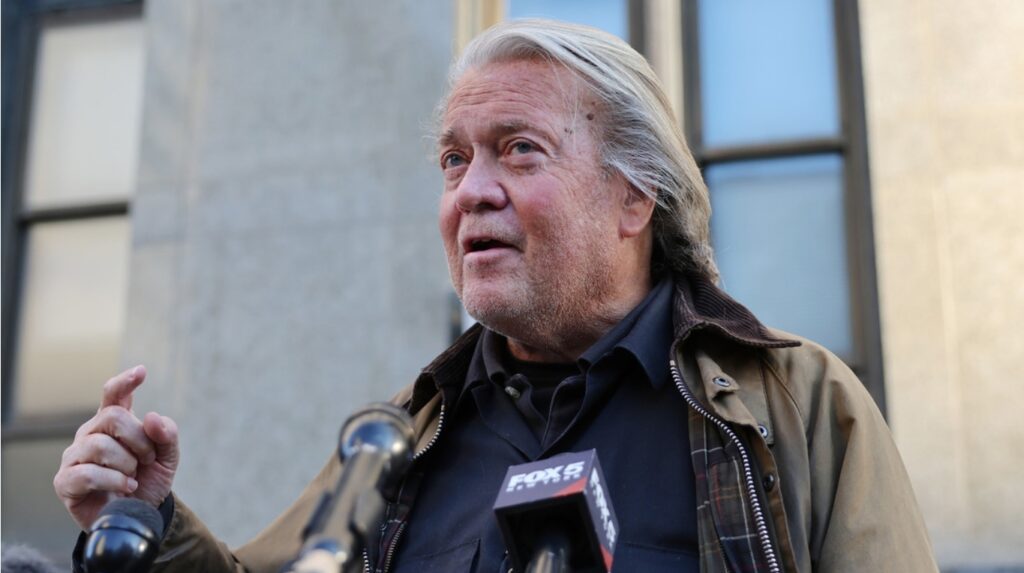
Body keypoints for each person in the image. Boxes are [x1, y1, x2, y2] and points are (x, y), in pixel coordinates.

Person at [53, 19, 937, 572]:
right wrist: (148, 517)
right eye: (454, 159)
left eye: (518, 149)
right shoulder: (400, 438)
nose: (471, 191)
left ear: (635, 197)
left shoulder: (796, 407)